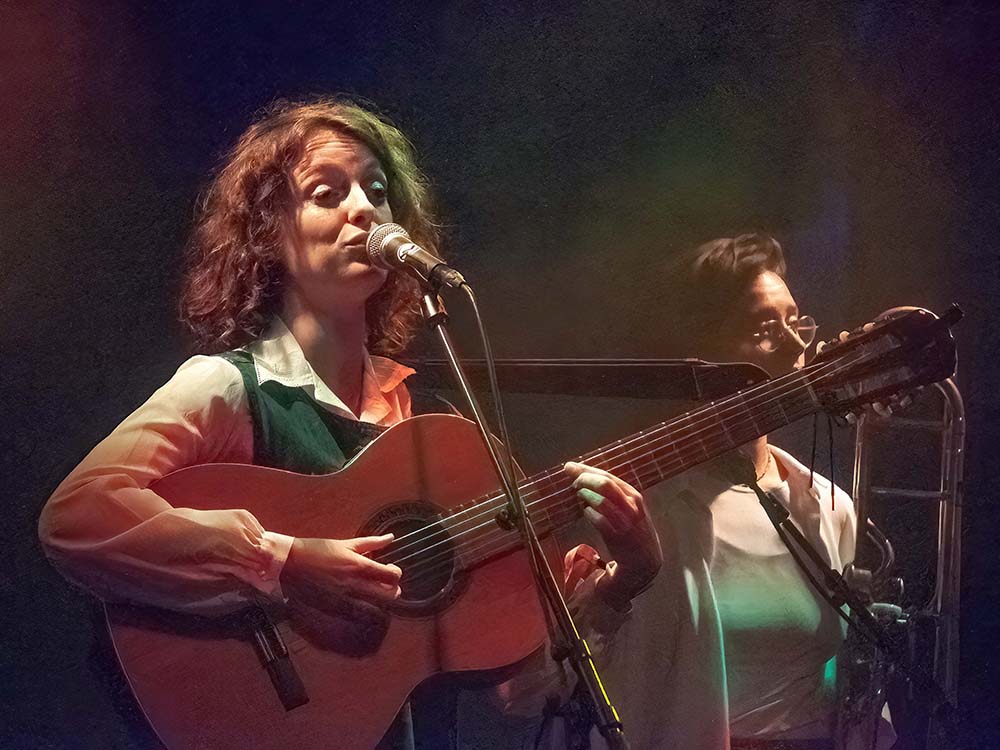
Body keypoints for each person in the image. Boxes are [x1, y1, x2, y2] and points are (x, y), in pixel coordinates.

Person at [37, 97, 662, 750]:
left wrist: (624, 582)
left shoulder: (434, 430)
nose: (364, 209)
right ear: (269, 233)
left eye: (377, 190)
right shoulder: (229, 387)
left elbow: (519, 692)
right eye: (327, 193)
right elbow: (77, 516)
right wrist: (283, 562)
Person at [491, 233, 891, 750]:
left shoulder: (828, 506)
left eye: (797, 322)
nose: (797, 347)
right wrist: (619, 585)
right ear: (701, 356)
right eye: (764, 329)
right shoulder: (633, 508)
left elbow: (838, 680)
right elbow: (523, 693)